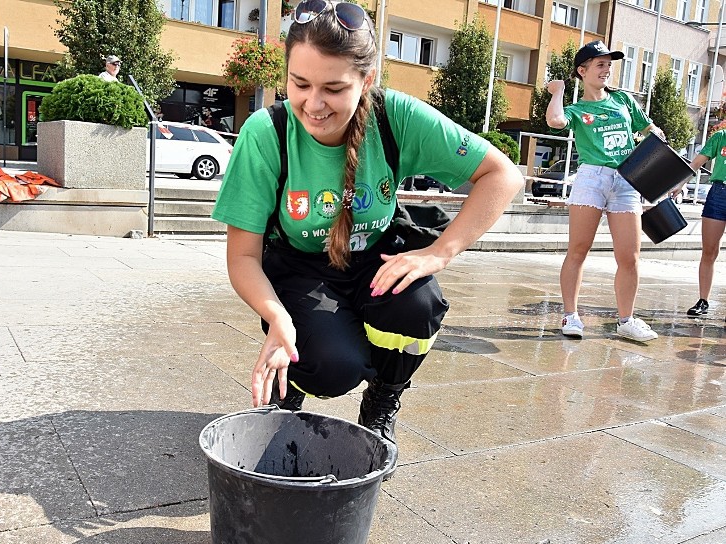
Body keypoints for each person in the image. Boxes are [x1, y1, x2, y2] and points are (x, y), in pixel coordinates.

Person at [210, 0, 522, 461]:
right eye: (300, 84)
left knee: (420, 305)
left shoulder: (395, 117)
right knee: (332, 366)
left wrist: (439, 252)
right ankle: (291, 386)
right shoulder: (266, 133)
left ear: (367, 80)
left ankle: (382, 401)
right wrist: (278, 320)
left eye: (334, 88)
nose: (313, 105)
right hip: (300, 269)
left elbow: (504, 176)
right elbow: (242, 258)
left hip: (373, 258)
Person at [545, 40, 666, 342]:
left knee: (630, 256)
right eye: (600, 64)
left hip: (626, 180)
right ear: (582, 71)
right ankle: (571, 316)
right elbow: (554, 121)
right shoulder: (576, 109)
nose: (607, 69)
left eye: (609, 64)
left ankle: (626, 320)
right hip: (592, 178)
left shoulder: (623, 101)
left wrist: (657, 143)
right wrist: (558, 91)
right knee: (578, 250)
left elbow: (650, 128)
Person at [676, 133, 726, 320]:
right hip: (719, 194)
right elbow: (696, 163)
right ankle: (703, 300)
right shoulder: (721, 137)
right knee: (709, 251)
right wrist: (681, 183)